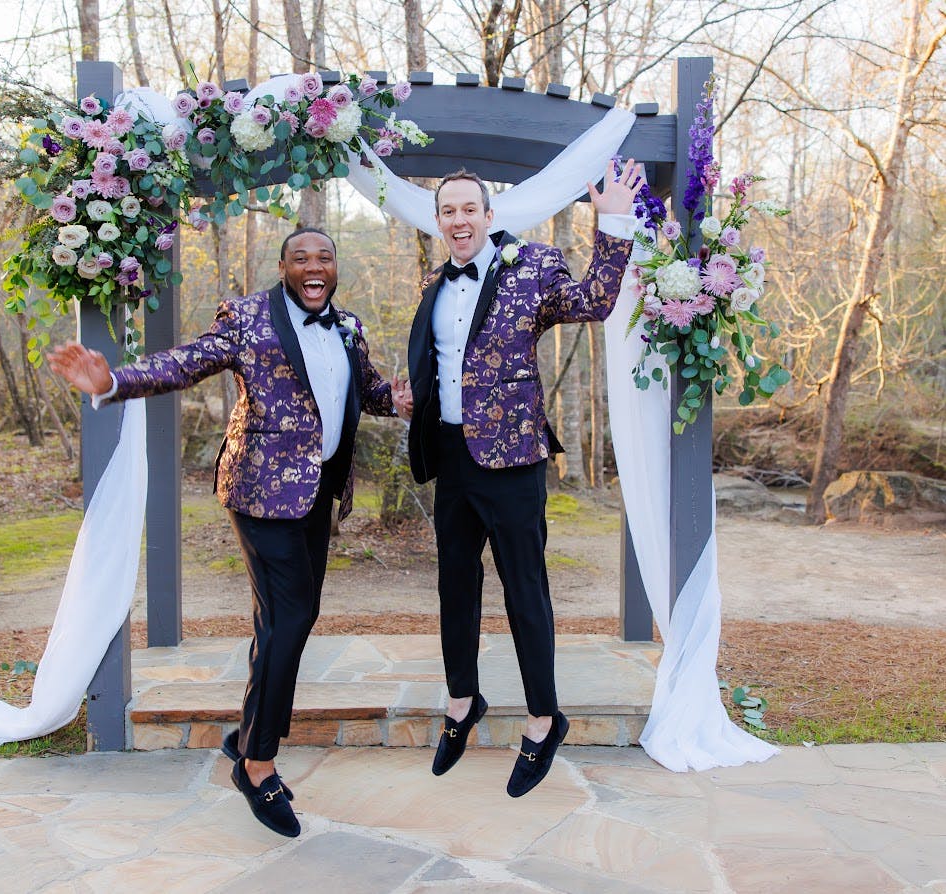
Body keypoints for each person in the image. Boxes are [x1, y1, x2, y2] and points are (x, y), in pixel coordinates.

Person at [49, 227, 408, 838]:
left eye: (324, 257)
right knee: (292, 618)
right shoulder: (246, 317)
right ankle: (257, 763)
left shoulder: (348, 325)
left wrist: (393, 399)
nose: (313, 266)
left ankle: (246, 730)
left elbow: (360, 389)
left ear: (336, 267)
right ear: (284, 266)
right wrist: (113, 383)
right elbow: (185, 361)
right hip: (261, 491)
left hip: (319, 494)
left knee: (283, 620)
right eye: (301, 258)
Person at [399, 161, 641, 796]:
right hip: (449, 459)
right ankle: (462, 704)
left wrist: (612, 222)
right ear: (438, 221)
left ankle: (542, 719)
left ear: (489, 215)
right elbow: (439, 370)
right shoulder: (431, 285)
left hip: (512, 461)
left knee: (524, 591)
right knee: (456, 587)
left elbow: (594, 301)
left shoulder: (531, 268)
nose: (458, 220)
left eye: (468, 209)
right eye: (447, 210)